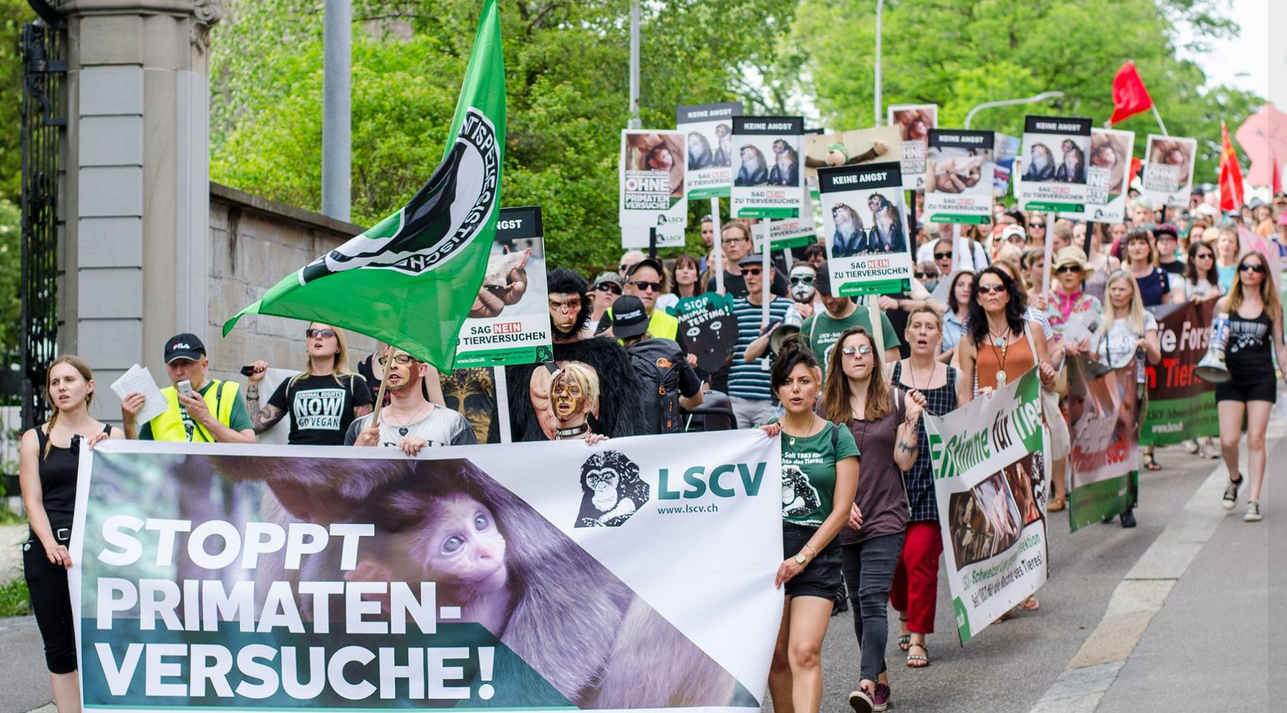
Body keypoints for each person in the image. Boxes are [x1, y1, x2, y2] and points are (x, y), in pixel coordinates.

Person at [822, 326, 925, 713]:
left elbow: (904, 461)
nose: (859, 356)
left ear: (875, 357)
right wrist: (841, 504)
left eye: (865, 349)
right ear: (840, 361)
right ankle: (880, 681)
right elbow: (818, 464)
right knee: (859, 604)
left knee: (873, 598)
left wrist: (913, 420)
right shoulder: (826, 408)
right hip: (843, 518)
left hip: (886, 513)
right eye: (850, 351)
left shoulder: (896, 400)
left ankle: (865, 683)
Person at [759, 338, 859, 713]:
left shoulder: (837, 436)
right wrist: (758, 445)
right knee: (777, 659)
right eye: (787, 382)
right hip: (769, 556)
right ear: (777, 390)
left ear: (817, 384)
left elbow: (841, 508)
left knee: (804, 652)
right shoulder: (762, 439)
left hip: (817, 554)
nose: (795, 389)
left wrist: (804, 556)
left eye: (803, 381)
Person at [20, 357, 123, 712]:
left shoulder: (111, 436)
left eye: (69, 380)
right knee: (60, 650)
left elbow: (121, 499)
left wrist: (104, 454)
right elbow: (32, 501)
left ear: (89, 386)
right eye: (54, 382)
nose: (61, 387)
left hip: (97, 553)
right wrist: (51, 545)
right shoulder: (34, 438)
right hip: (48, 553)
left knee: (100, 644)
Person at [501, 268, 647, 441]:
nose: (566, 313)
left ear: (586, 303)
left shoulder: (608, 355)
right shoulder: (522, 358)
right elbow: (506, 425)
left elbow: (629, 419)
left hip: (594, 456)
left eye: (572, 304)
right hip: (537, 460)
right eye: (556, 304)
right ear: (543, 306)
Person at [889, 309, 957, 669]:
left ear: (938, 336)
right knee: (895, 564)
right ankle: (903, 611)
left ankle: (919, 636)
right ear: (907, 332)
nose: (922, 332)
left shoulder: (953, 377)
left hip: (935, 483)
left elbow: (967, 423)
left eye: (930, 327)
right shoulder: (891, 373)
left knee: (920, 559)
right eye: (916, 326)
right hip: (894, 481)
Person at [1216, 251, 1286, 522]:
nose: (1250, 272)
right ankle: (1235, 477)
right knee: (1228, 439)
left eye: (1257, 268)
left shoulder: (1272, 308)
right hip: (1229, 378)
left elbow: (1280, 348)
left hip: (1261, 377)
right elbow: (1214, 343)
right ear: (1239, 271)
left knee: (1256, 438)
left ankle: (1253, 500)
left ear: (1264, 274)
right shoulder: (1225, 304)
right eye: (1245, 267)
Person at [1087, 272, 1161, 522]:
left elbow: (1156, 357)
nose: (1117, 294)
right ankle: (1111, 499)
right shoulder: (1100, 321)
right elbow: (1093, 359)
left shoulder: (1144, 319)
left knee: (1127, 445)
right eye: (1113, 289)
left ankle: (1127, 504)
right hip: (1107, 389)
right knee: (1107, 446)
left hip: (1134, 386)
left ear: (1132, 292)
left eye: (1122, 289)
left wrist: (1147, 345)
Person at [244, 323, 374, 445]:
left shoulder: (354, 383)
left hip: (338, 466)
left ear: (338, 347)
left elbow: (366, 434)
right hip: (298, 465)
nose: (318, 337)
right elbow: (256, 425)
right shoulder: (292, 384)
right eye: (312, 333)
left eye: (327, 333)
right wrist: (253, 382)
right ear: (307, 344)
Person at [120, 333, 255, 443]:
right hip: (171, 475)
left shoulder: (227, 392)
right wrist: (128, 424)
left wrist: (205, 418)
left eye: (186, 364)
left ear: (204, 365)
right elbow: (141, 458)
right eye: (173, 365)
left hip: (215, 475)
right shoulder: (160, 398)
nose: (179, 372)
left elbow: (249, 445)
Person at [1045, 247, 1102, 511]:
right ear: (1057, 272)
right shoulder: (1045, 301)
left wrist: (1086, 345)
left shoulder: (1093, 304)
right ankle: (1059, 492)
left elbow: (1099, 339)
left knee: (1082, 430)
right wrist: (1058, 349)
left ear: (1082, 273)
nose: (1069, 273)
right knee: (1057, 431)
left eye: (1074, 268)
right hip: (1052, 373)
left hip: (1082, 372)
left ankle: (1082, 488)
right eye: (1064, 268)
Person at [345, 345, 476, 452]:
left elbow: (471, 479)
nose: (392, 365)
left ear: (422, 369)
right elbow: (345, 481)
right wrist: (357, 453)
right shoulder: (361, 427)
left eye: (403, 359)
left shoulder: (453, 423)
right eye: (386, 361)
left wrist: (429, 456)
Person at [611, 295, 704, 433]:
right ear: (647, 319)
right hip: (669, 442)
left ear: (616, 331)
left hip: (629, 444)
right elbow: (697, 398)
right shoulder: (671, 351)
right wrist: (673, 405)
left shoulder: (613, 361)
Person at [730, 255, 799, 427]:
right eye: (745, 272)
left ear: (771, 274)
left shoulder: (787, 307)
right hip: (738, 393)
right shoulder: (734, 308)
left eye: (755, 271)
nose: (749, 277)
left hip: (770, 396)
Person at [800, 262, 900, 374]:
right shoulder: (810, 326)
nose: (829, 300)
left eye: (833, 293)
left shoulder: (875, 318)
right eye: (823, 294)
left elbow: (894, 368)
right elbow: (803, 372)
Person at [600, 258, 680, 341]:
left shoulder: (672, 322)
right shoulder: (611, 315)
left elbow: (685, 354)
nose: (649, 291)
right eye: (642, 285)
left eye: (655, 286)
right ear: (627, 288)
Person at [704, 221, 789, 298]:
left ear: (748, 244)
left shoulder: (765, 270)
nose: (732, 244)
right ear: (722, 246)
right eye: (728, 241)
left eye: (737, 240)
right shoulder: (716, 282)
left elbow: (789, 302)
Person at [1122, 230, 1172, 306]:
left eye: (1142, 243)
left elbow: (1165, 308)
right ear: (1127, 249)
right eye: (1132, 244)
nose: (1137, 248)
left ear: (1149, 248)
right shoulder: (1119, 275)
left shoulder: (1161, 275)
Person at [939, 269, 974, 364]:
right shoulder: (942, 320)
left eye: (971, 286)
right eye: (960, 285)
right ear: (953, 289)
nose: (966, 289)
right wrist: (953, 351)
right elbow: (934, 361)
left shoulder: (983, 320)